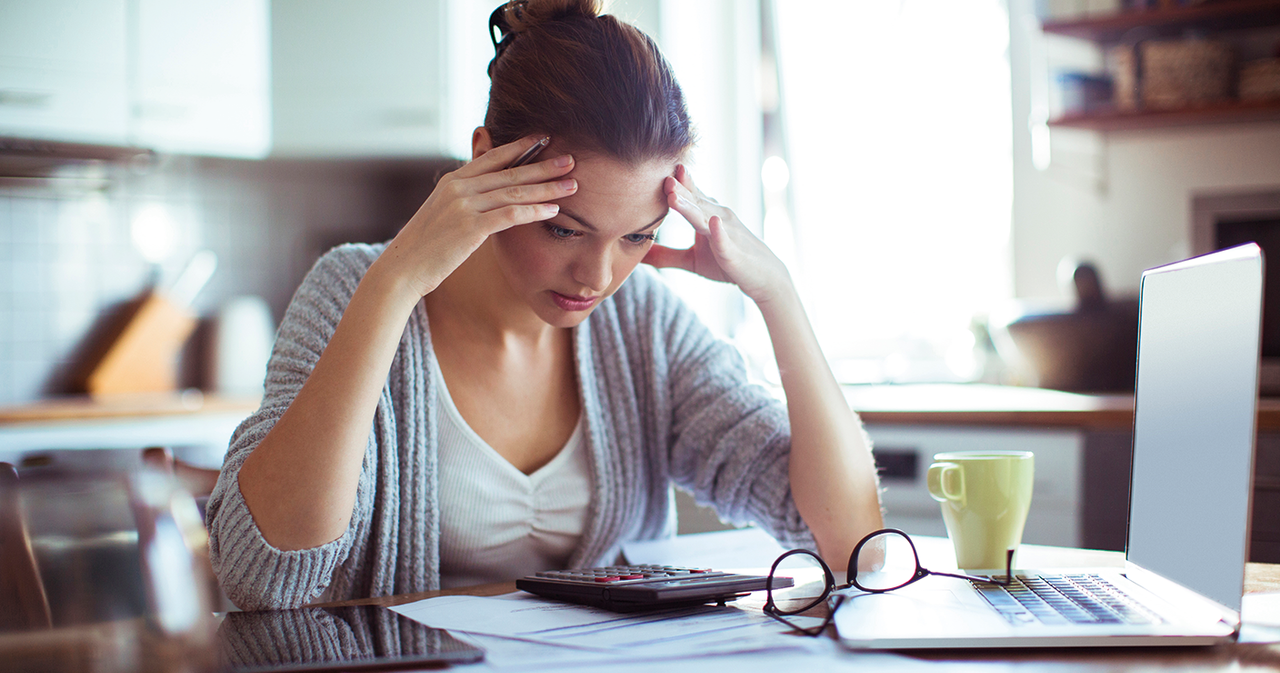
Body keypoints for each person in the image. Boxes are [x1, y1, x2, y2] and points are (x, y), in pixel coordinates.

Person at [205, 0, 883, 611]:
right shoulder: (354, 287)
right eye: (564, 229)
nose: (597, 276)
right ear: (484, 161)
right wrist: (395, 282)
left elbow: (853, 544)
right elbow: (265, 579)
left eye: (636, 238)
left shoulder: (642, 323)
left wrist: (778, 295)